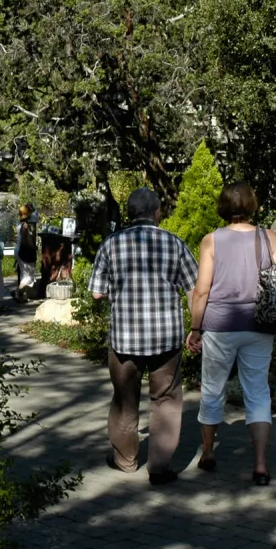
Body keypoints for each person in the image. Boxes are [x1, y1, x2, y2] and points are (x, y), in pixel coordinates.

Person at [89, 188, 198, 485]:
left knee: (125, 400)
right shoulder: (175, 244)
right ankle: (159, 468)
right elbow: (194, 291)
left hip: (124, 339)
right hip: (166, 340)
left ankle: (125, 460)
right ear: (157, 212)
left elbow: (97, 293)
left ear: (129, 212)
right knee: (165, 399)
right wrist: (197, 328)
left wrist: (118, 289)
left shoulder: (111, 245)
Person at [186, 181, 276, 485]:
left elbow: (202, 290)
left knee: (212, 388)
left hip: (219, 326)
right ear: (252, 204)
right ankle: (259, 465)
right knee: (257, 391)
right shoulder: (268, 237)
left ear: (223, 206)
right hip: (259, 324)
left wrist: (195, 328)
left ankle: (207, 454)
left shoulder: (211, 240)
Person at [14, 205, 40, 302]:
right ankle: (18, 291)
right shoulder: (25, 227)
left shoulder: (20, 225)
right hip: (26, 252)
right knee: (29, 277)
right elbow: (26, 241)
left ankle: (22, 295)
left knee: (24, 275)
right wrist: (33, 247)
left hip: (20, 251)